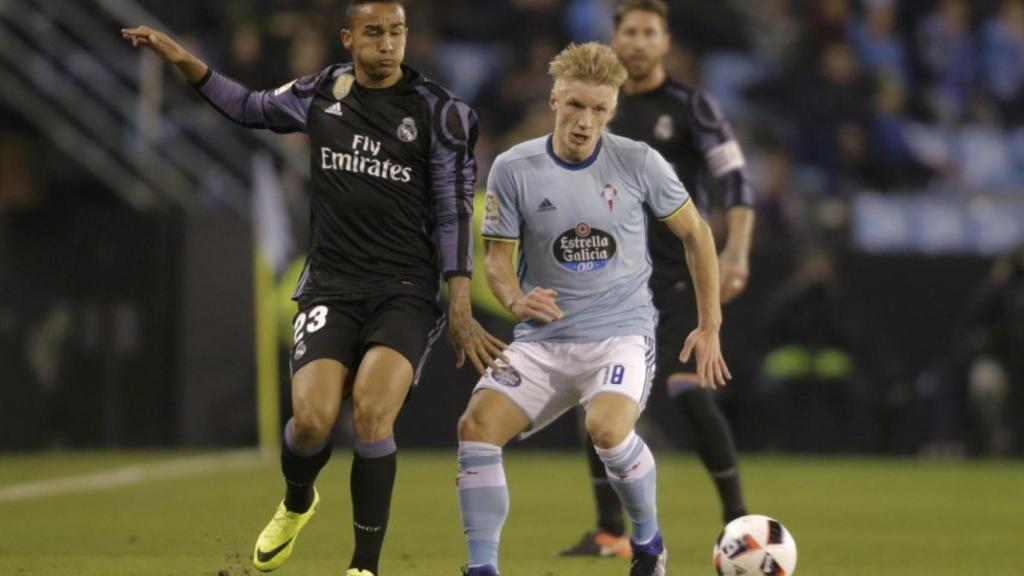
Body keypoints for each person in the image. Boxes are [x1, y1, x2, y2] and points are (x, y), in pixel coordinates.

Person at [122, 2, 506, 575]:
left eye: (396, 32)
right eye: (374, 32)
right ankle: (298, 500)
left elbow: (451, 210)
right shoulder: (320, 92)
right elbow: (248, 108)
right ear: (349, 38)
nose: (387, 43)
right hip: (331, 283)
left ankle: (364, 567)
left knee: (374, 414)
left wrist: (457, 300)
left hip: (404, 289)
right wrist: (182, 58)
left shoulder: (439, 112)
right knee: (310, 422)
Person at [455, 42, 730, 576]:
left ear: (613, 109)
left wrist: (710, 323)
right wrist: (514, 298)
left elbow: (696, 234)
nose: (585, 121)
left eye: (599, 110)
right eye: (576, 105)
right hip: (543, 338)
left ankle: (648, 544)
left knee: (606, 428)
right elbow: (496, 259)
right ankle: (482, 568)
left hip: (620, 334)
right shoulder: (514, 167)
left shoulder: (639, 162)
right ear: (554, 98)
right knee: (476, 427)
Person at [561, 0, 756, 558]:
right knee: (594, 398)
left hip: (674, 281)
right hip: (605, 280)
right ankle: (608, 532)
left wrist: (737, 252)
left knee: (687, 391)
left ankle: (738, 519)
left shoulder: (692, 108)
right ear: (615, 38)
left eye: (651, 32)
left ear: (666, 42)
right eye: (631, 31)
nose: (640, 41)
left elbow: (735, 181)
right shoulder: (596, 106)